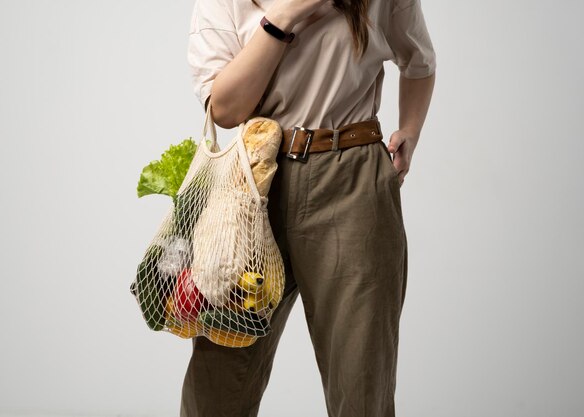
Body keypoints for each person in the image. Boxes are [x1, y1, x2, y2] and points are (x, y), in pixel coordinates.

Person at [182, 0, 436, 415]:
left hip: (353, 183)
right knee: (217, 383)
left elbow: (419, 61)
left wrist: (410, 129)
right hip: (250, 187)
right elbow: (226, 110)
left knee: (361, 383)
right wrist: (285, 16)